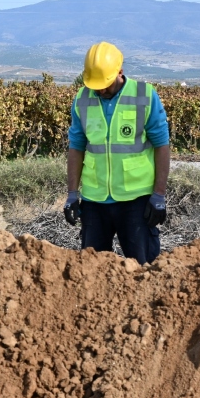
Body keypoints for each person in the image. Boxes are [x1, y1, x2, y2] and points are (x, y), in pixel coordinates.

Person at [63, 41, 171, 264]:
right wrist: (72, 194)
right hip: (95, 200)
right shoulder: (82, 100)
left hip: (136, 200)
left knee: (142, 267)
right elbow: (76, 147)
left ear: (120, 72)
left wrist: (159, 196)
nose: (99, 89)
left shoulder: (144, 96)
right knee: (92, 269)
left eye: (104, 83)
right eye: (95, 84)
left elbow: (162, 145)